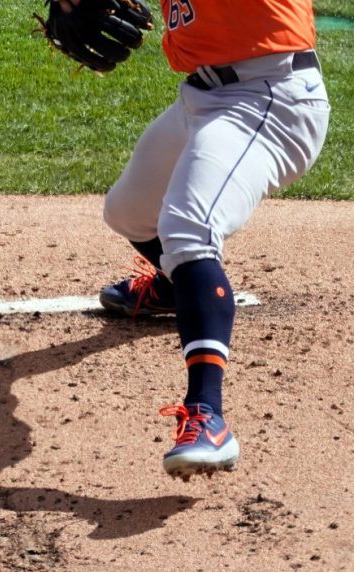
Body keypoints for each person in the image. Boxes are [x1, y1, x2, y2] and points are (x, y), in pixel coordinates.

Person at [61, 0, 331, 480]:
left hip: (272, 99)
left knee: (188, 230)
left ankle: (208, 416)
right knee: (129, 211)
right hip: (203, 97)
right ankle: (172, 289)